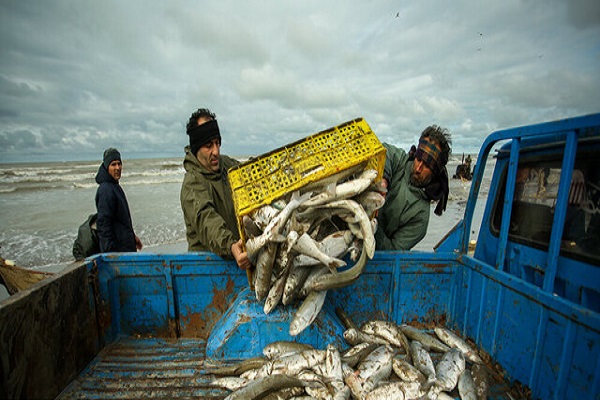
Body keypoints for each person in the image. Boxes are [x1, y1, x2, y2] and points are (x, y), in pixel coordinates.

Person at [180, 108, 251, 270]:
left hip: (236, 259)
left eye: (217, 143)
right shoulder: (192, 184)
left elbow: (249, 174)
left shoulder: (227, 166)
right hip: (207, 267)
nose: (216, 151)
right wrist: (231, 245)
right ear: (197, 148)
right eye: (208, 145)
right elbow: (208, 222)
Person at [375, 125, 452, 250]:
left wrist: (372, 223)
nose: (418, 168)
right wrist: (384, 179)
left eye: (427, 165)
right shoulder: (400, 161)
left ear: (435, 172)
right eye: (419, 158)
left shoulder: (420, 217)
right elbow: (382, 151)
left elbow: (392, 251)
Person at [95, 148, 143, 253]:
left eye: (119, 164)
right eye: (113, 164)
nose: (117, 168)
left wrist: (133, 238)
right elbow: (103, 224)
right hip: (118, 252)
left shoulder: (115, 186)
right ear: (107, 166)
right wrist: (110, 255)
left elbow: (121, 220)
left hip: (126, 248)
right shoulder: (106, 190)